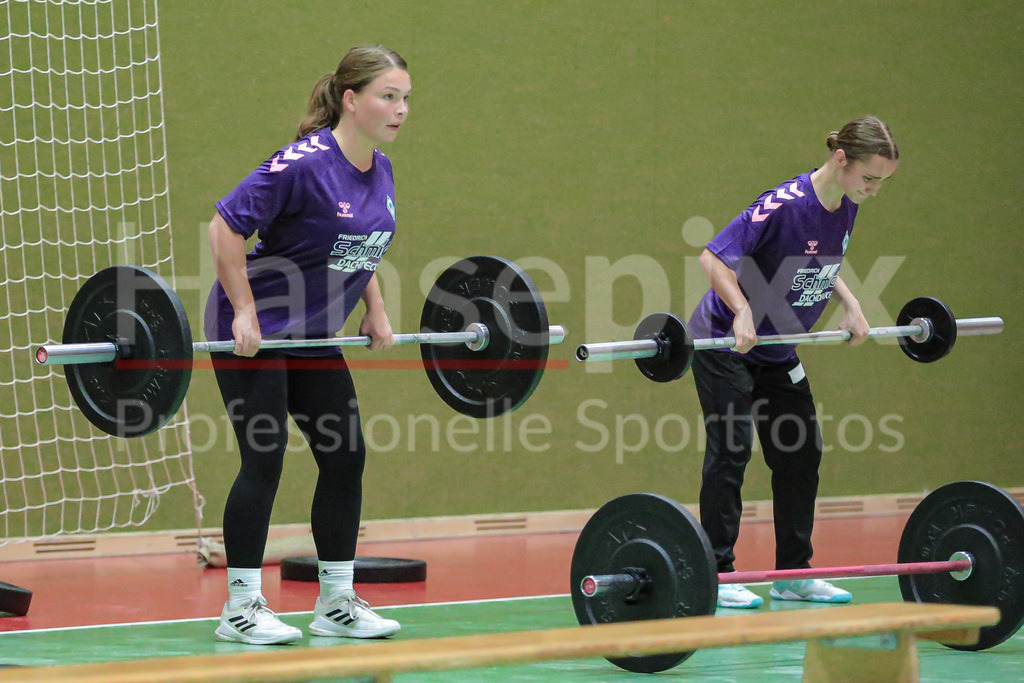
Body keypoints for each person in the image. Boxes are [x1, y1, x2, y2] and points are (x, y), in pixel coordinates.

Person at [203, 45, 411, 644]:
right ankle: (240, 608)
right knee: (264, 458)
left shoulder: (382, 170)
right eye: (387, 97)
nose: (400, 110)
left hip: (316, 334)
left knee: (346, 458)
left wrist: (374, 309)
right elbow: (225, 227)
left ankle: (337, 602)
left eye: (405, 99)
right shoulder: (301, 164)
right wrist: (243, 310)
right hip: (257, 333)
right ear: (351, 99)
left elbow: (360, 246)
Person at [687, 117, 899, 609]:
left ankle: (793, 574)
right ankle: (717, 574)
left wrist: (852, 303)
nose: (874, 191)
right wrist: (741, 311)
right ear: (841, 160)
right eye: (870, 179)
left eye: (882, 183)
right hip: (725, 345)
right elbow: (713, 258)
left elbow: (824, 260)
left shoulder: (845, 205)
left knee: (801, 454)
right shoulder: (784, 204)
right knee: (733, 449)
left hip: (778, 349)